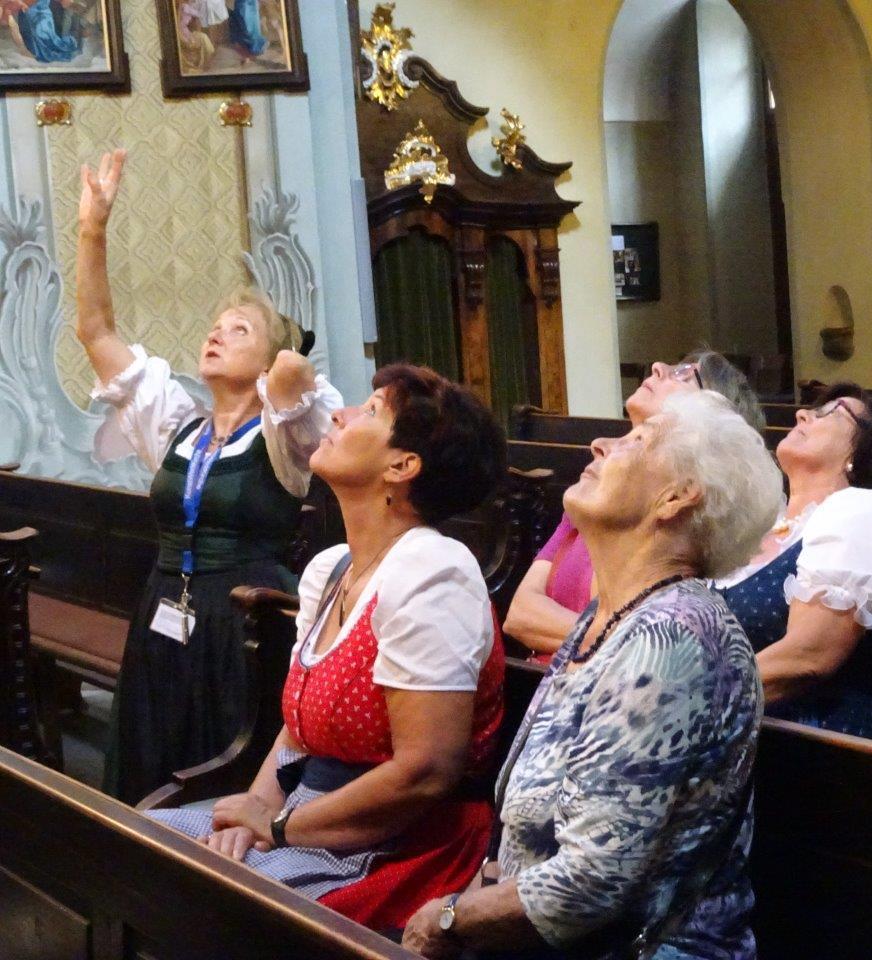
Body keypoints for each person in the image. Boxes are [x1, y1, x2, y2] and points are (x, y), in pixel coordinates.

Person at [402, 390, 783, 959]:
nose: (601, 443)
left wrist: (450, 919)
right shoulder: (610, 617)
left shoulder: (672, 638)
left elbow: (592, 881)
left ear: (676, 498)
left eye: (636, 441)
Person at [150, 365, 508, 929]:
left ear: (402, 466)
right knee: (139, 844)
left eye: (370, 411)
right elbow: (296, 731)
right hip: (309, 813)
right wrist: (255, 812)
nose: (339, 414)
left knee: (197, 906)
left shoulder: (434, 572)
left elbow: (425, 771)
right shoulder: (332, 568)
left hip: (399, 842)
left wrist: (278, 827)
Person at [76, 148, 343, 803]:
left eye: (238, 330)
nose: (216, 335)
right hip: (164, 609)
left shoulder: (285, 433)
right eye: (214, 327)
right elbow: (96, 331)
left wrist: (280, 363)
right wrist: (92, 230)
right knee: (151, 760)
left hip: (246, 624)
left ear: (268, 358)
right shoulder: (177, 424)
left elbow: (296, 377)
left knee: (220, 772)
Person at [503, 350, 765, 662]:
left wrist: (624, 641)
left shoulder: (680, 589)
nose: (657, 366)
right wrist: (618, 638)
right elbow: (519, 615)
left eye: (684, 374)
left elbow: (649, 642)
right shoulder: (594, 495)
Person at [714, 383, 872, 739]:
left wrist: (687, 701)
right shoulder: (760, 521)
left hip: (809, 742)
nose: (802, 414)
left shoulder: (859, 513)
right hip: (730, 728)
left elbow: (808, 657)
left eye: (832, 413)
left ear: (862, 452)